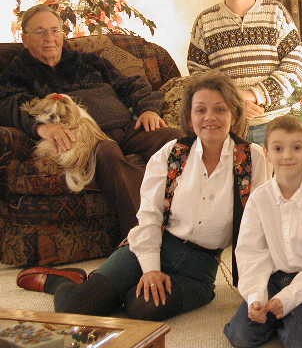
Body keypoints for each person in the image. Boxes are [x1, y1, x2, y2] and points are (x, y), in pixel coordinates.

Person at [16, 72, 269, 321]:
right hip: (153, 246)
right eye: (200, 110)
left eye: (220, 109)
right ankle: (65, 281)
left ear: (234, 113)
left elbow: (259, 227)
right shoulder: (172, 154)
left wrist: (258, 286)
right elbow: (149, 215)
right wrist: (150, 269)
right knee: (78, 306)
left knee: (143, 307)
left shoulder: (252, 158)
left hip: (199, 267)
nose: (209, 118)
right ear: (189, 116)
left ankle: (112, 287)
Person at [0, 4, 181, 238]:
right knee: (107, 153)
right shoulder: (18, 72)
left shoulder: (87, 61)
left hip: (128, 127)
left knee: (175, 141)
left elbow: (131, 85)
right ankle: (141, 240)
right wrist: (42, 127)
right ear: (25, 39)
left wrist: (148, 110)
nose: (50, 38)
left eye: (55, 31)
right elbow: (8, 104)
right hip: (87, 137)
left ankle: (194, 226)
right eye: (40, 32)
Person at [224, 114, 302, 347]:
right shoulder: (259, 198)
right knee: (241, 337)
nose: (287, 156)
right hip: (273, 279)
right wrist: (256, 297)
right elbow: (251, 252)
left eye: (296, 148)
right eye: (278, 148)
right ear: (267, 153)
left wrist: (287, 300)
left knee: (298, 342)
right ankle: (280, 316)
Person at [187, 0, 302, 144]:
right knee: (230, 176)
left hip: (274, 123)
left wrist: (253, 95)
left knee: (276, 176)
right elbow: (198, 74)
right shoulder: (205, 20)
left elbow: (296, 64)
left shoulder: (275, 13)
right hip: (227, 124)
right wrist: (233, 101)